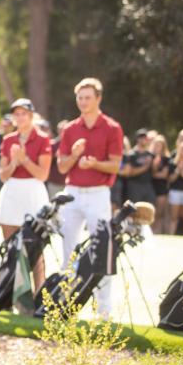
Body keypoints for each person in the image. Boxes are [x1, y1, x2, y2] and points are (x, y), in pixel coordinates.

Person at [56, 78, 124, 319]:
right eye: (80, 98)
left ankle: (103, 309)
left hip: (98, 193)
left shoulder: (112, 128)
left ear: (98, 99)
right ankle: (65, 303)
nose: (83, 102)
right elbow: (62, 167)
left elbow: (115, 165)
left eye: (87, 97)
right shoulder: (70, 129)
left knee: (101, 248)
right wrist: (74, 155)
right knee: (68, 248)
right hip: (72, 193)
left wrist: (95, 163)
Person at [0, 98, 52, 292]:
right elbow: (2, 174)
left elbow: (42, 174)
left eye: (23, 114)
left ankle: (39, 293)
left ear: (31, 115)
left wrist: (24, 159)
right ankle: (8, 293)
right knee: (10, 247)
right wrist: (14, 163)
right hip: (12, 190)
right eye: (16, 114)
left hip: (33, 192)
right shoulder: (8, 140)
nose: (19, 118)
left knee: (35, 247)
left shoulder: (42, 139)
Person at [121, 128, 157, 206]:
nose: (143, 139)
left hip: (147, 185)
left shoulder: (150, 155)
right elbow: (130, 173)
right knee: (134, 210)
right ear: (137, 139)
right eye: (140, 137)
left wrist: (154, 165)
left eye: (145, 137)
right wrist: (145, 166)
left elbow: (154, 172)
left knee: (150, 208)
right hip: (135, 185)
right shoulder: (131, 154)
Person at [150, 134, 171, 233]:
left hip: (161, 188)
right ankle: (151, 231)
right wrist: (153, 165)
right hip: (150, 187)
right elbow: (151, 174)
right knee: (151, 212)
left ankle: (157, 231)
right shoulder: (149, 157)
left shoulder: (167, 159)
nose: (158, 147)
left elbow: (163, 175)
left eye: (160, 145)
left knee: (159, 212)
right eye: (156, 144)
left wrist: (154, 173)